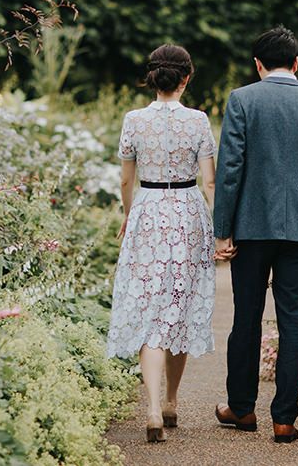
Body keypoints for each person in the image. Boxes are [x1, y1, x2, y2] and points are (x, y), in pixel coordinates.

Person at [213, 26, 298, 443]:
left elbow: (230, 169)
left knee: (246, 318)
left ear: (258, 64)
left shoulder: (243, 100)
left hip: (251, 227)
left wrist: (223, 230)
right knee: (294, 323)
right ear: (297, 63)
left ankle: (242, 409)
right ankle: (284, 419)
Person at [106, 44, 217, 443]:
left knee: (149, 310)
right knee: (178, 307)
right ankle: (171, 401)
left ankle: (152, 410)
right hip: (187, 213)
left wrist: (128, 214)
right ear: (187, 77)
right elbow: (209, 182)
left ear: (153, 77)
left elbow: (124, 180)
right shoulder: (199, 121)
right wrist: (218, 228)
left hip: (148, 212)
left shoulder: (133, 120)